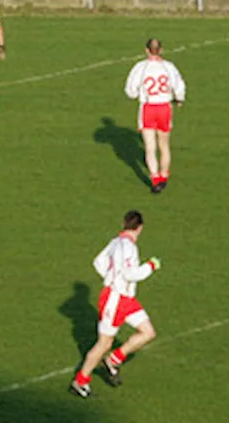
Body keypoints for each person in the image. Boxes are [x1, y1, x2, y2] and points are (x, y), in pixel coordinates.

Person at [70, 210, 161, 399]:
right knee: (104, 344)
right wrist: (150, 266)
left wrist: (111, 277)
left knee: (148, 332)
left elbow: (98, 262)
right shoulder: (129, 247)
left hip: (125, 299)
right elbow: (130, 274)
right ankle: (80, 381)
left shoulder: (114, 242)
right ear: (140, 228)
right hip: (115, 300)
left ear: (124, 224)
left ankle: (113, 359)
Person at [123, 39, 187, 193]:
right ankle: (164, 176)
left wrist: (138, 94)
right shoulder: (169, 67)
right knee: (164, 145)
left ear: (146, 50)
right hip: (164, 107)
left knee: (150, 147)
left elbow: (130, 90)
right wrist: (179, 98)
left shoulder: (140, 67)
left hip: (148, 108)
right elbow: (179, 85)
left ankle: (155, 178)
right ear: (161, 50)